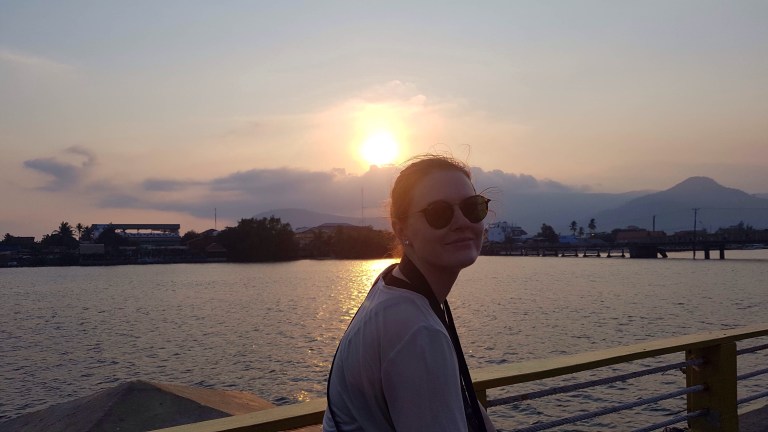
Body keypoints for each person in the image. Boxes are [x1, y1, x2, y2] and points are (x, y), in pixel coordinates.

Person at [323, 155, 496, 431]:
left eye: (472, 207)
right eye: (439, 213)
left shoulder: (393, 284)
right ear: (401, 229)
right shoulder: (416, 329)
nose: (462, 222)